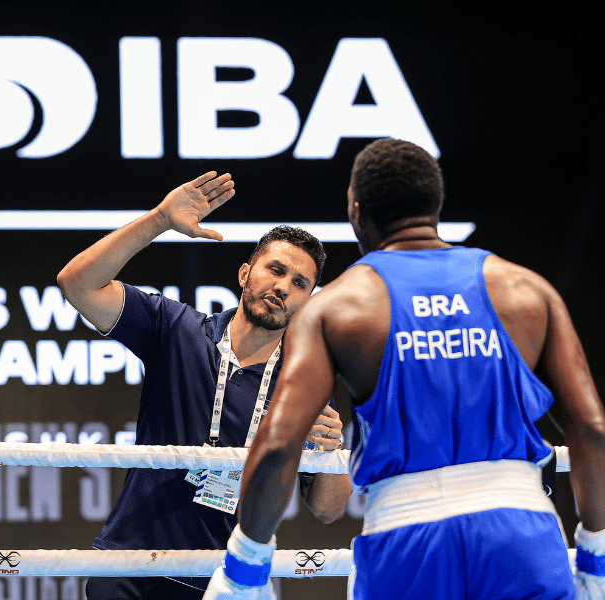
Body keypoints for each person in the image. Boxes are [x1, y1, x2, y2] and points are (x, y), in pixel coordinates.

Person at [204, 138, 605, 599]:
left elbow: (278, 447)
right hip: (521, 533)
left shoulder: (338, 306)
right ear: (436, 203)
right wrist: (596, 556)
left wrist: (245, 568)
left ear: (356, 210)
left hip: (406, 539)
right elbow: (592, 430)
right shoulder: (526, 291)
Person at [57, 173, 353, 600]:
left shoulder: (304, 382)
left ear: (309, 301)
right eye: (276, 269)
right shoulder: (176, 328)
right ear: (245, 273)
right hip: (129, 566)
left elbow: (328, 509)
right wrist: (159, 219)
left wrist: (331, 450)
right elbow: (77, 283)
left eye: (299, 283)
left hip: (221, 584)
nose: (283, 287)